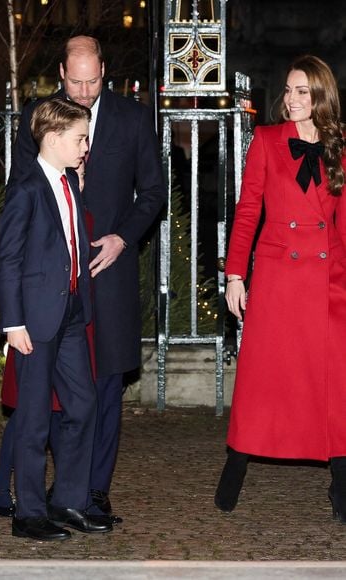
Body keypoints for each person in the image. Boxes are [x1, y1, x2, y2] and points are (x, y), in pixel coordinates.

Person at [8, 35, 166, 520]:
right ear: (61, 73)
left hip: (110, 273)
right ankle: (54, 492)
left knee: (104, 387)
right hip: (53, 277)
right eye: (74, 81)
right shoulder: (39, 117)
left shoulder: (133, 119)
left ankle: (93, 492)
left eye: (92, 80)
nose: (83, 91)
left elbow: (153, 193)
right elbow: (19, 190)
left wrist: (122, 237)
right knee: (53, 390)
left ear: (105, 72)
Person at [214, 55, 346, 518]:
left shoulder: (341, 145)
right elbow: (248, 210)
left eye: (301, 91)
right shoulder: (267, 141)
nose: (290, 99)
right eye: (288, 90)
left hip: (328, 281)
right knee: (263, 381)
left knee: (335, 384)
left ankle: (342, 482)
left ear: (320, 97)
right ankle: (236, 467)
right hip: (278, 278)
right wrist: (235, 274)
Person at [0, 98, 112, 541]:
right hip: (35, 321)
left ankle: (67, 500)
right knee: (33, 418)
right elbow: (7, 260)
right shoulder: (26, 189)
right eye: (80, 138)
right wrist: (13, 324)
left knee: (84, 405)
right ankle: (27, 513)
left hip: (69, 316)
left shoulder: (68, 183)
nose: (86, 146)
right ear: (53, 138)